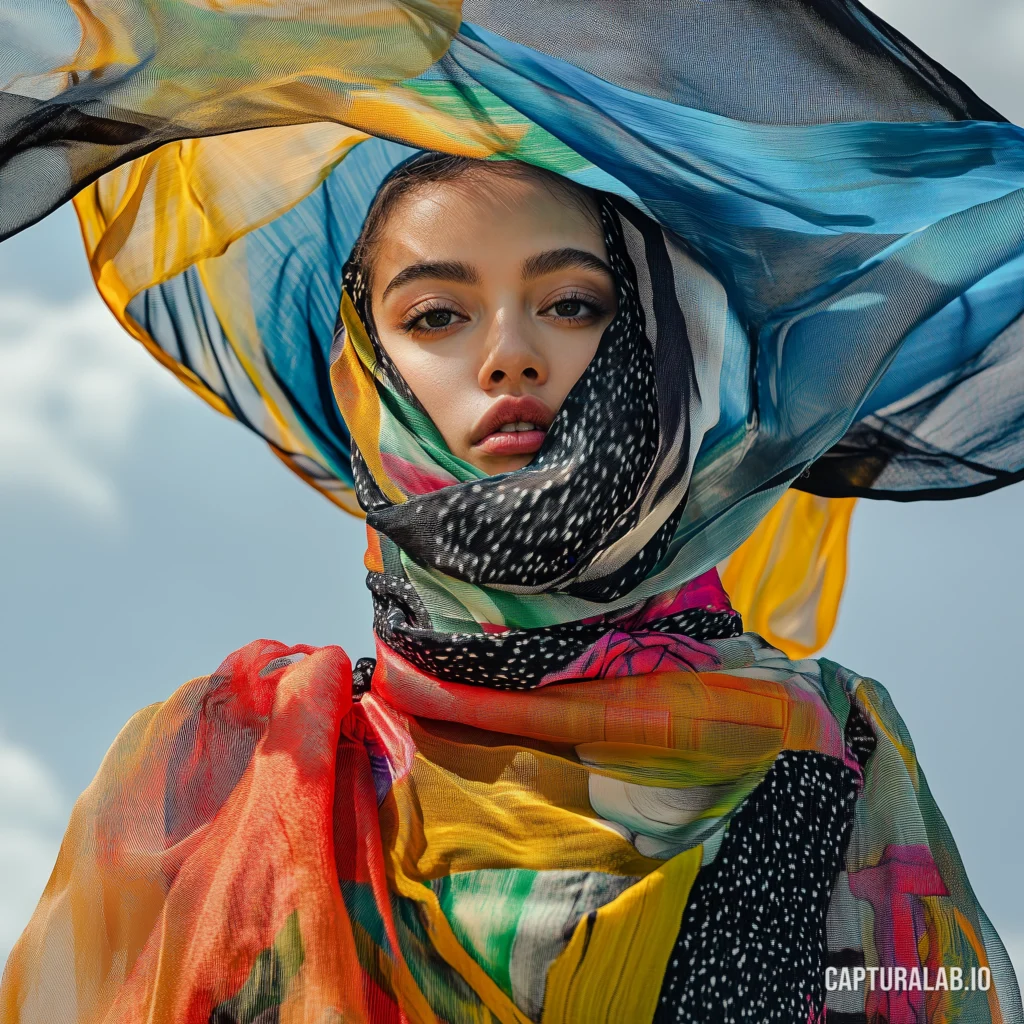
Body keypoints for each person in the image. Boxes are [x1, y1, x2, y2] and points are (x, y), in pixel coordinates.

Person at [2, 3, 1024, 1023]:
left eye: (572, 302)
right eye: (436, 315)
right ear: (360, 377)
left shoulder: (829, 756)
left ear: (661, 346)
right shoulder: (218, 769)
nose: (509, 355)